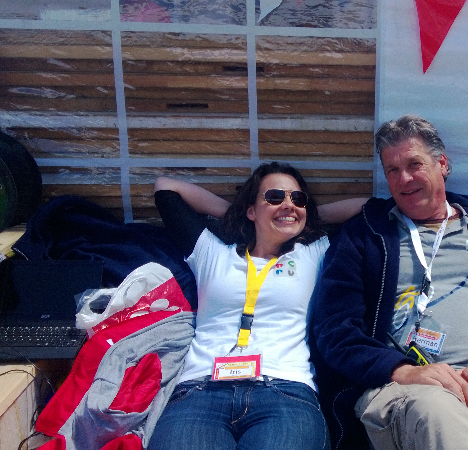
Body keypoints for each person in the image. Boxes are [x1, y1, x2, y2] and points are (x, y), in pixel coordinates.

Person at [310, 115, 468, 450]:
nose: (404, 178)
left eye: (414, 164)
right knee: (435, 411)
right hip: (403, 391)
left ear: (442, 164)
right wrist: (401, 370)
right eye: (392, 170)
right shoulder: (364, 237)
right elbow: (334, 329)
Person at [148, 162, 366, 450]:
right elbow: (166, 187)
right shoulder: (211, 252)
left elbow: (370, 206)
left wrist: (302, 216)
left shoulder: (314, 252)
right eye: (275, 197)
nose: (288, 204)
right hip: (200, 390)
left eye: (297, 198)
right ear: (251, 210)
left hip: (284, 390)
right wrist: (240, 214)